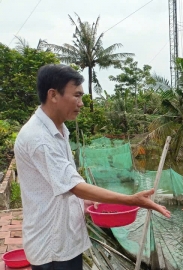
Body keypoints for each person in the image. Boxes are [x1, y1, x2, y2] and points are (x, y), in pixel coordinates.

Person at [14, 64, 171, 270]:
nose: (81, 103)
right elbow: (74, 186)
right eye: (76, 96)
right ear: (53, 95)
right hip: (52, 246)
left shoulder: (58, 130)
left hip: (66, 238)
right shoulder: (39, 139)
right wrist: (130, 200)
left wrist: (84, 203)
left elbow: (56, 184)